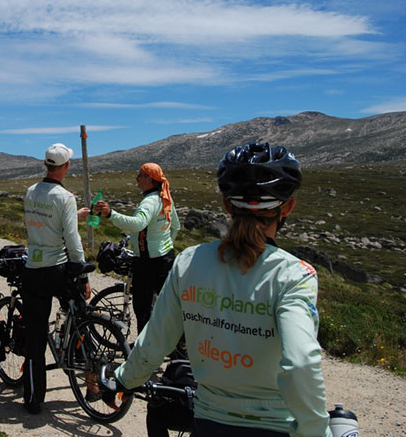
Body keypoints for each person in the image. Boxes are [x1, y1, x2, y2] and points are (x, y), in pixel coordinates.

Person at [110, 143, 331, 437]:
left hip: (208, 421)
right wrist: (317, 431)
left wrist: (124, 379)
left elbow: (155, 340)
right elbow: (301, 363)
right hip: (276, 426)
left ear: (227, 205)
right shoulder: (295, 275)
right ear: (287, 206)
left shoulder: (189, 261)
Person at [22, 142, 92, 415]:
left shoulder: (30, 192)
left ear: (45, 164)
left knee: (35, 337)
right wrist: (81, 269)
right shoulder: (66, 197)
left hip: (33, 269)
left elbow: (42, 221)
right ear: (66, 167)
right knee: (81, 318)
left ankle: (33, 398)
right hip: (57, 269)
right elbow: (72, 239)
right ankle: (92, 383)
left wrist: (72, 216)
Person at [94, 162, 180, 334]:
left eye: (140, 175)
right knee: (169, 304)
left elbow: (138, 224)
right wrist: (164, 244)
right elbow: (175, 226)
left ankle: (145, 349)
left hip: (147, 261)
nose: (136, 178)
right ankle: (178, 348)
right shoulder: (164, 197)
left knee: (143, 308)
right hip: (166, 258)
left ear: (150, 179)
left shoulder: (149, 202)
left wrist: (111, 214)